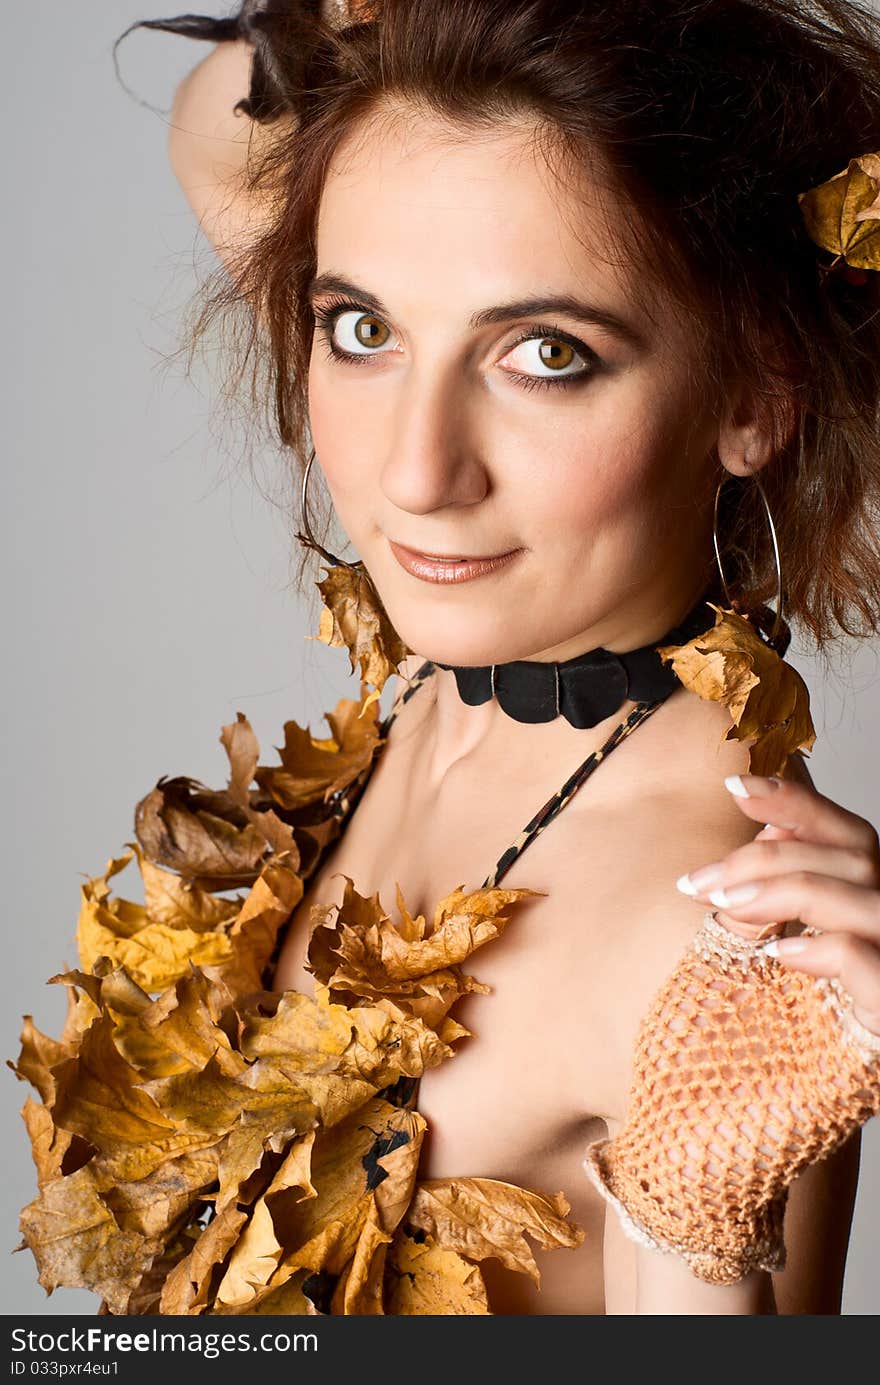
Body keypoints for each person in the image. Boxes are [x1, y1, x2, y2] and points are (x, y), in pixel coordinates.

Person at [12, 0, 880, 1316]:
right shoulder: (478, 682)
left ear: (755, 394)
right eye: (363, 331)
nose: (413, 473)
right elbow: (220, 118)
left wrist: (704, 1221)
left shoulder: (715, 926)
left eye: (547, 355)